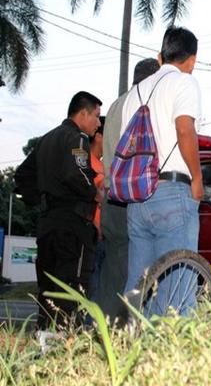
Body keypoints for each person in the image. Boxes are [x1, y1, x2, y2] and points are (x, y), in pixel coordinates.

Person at [121, 27, 203, 316]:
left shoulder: (135, 92)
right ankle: (175, 355)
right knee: (177, 283)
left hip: (137, 197)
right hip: (171, 190)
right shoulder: (184, 83)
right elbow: (185, 129)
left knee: (139, 284)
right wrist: (197, 178)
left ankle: (132, 347)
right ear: (192, 60)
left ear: (160, 57)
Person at [96, 58, 160, 321]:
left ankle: (104, 329)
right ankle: (130, 330)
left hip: (111, 200)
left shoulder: (115, 106)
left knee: (113, 271)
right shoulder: (144, 105)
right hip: (132, 197)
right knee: (138, 271)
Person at [35, 91, 103, 328]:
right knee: (72, 289)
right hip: (72, 227)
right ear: (83, 113)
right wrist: (96, 193)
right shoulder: (78, 139)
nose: (98, 123)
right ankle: (67, 346)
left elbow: (24, 175)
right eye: (96, 116)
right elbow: (77, 172)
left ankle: (44, 340)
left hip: (46, 223)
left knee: (47, 290)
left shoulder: (46, 139)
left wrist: (44, 197)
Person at [89, 116, 105, 301]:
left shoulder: (102, 165)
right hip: (94, 235)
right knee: (92, 288)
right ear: (99, 136)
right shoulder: (86, 161)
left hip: (104, 236)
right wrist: (96, 225)